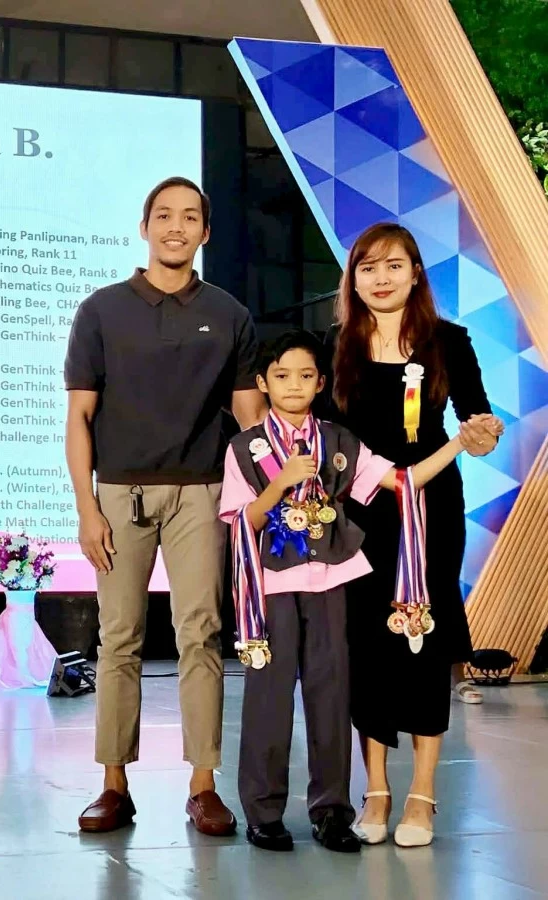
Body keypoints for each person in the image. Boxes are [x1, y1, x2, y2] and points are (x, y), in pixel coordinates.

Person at [65, 176, 268, 835]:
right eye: (163, 215)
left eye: (190, 218)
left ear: (206, 233)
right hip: (120, 493)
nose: (175, 227)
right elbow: (79, 417)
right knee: (118, 637)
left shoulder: (230, 314)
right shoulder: (101, 310)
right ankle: (114, 784)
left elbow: (248, 416)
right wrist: (86, 508)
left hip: (203, 492)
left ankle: (203, 784)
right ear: (144, 226)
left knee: (201, 635)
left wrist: (282, 471)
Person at [220, 330, 470, 853]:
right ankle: (264, 811)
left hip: (331, 578)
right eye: (282, 376)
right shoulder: (245, 448)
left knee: (332, 693)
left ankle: (331, 809)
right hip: (270, 585)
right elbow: (244, 519)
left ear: (322, 383)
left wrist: (457, 444)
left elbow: (401, 482)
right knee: (268, 696)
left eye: (306, 376)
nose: (294, 386)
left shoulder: (338, 441)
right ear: (262, 383)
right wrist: (280, 481)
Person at [322, 222, 503, 848]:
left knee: (424, 637)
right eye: (367, 267)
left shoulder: (448, 341)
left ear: (416, 273)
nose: (380, 278)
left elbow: (477, 415)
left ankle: (423, 793)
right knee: (364, 645)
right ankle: (375, 789)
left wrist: (482, 432)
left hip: (431, 507)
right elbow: (324, 440)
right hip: (359, 514)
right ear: (354, 279)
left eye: (393, 265)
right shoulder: (335, 346)